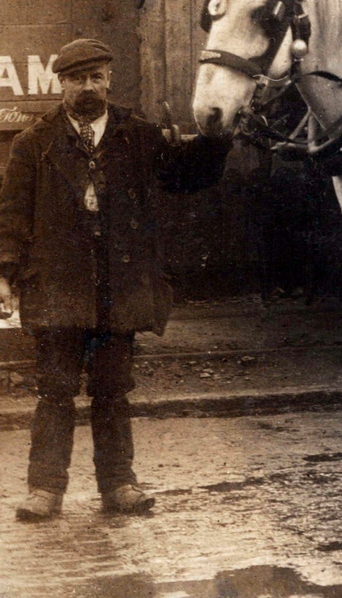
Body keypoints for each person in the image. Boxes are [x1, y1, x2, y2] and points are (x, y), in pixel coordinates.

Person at [0, 39, 230, 521]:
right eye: (77, 79)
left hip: (118, 285)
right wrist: (5, 274)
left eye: (97, 77)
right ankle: (44, 490)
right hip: (58, 283)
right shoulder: (34, 143)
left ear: (109, 80)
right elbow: (12, 216)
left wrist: (217, 137)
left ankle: (119, 484)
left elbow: (185, 178)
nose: (88, 87)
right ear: (60, 83)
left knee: (112, 390)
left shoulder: (138, 136)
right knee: (55, 390)